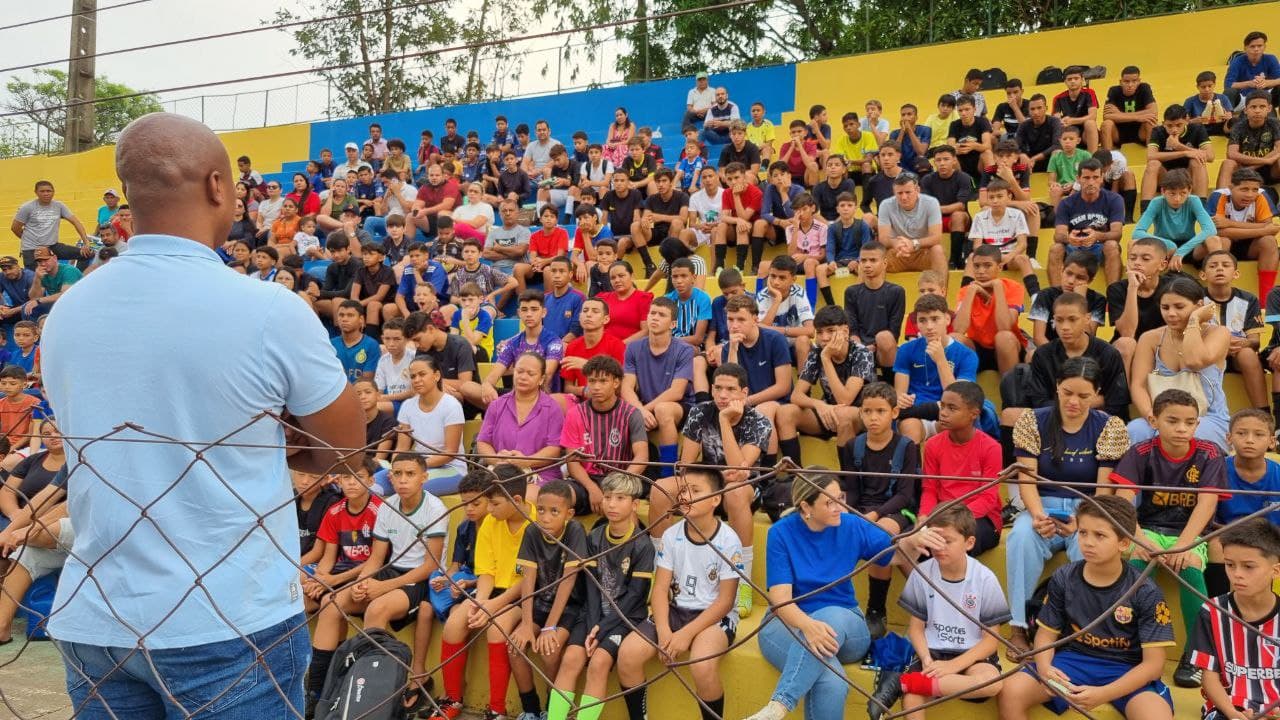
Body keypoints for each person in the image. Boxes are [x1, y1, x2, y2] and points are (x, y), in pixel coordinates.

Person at [41, 113, 363, 716]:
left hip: (99, 614)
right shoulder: (268, 308)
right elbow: (343, 452)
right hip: (228, 618)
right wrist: (266, 439)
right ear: (219, 186)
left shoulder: (68, 311)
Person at [743, 472, 942, 720]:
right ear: (806, 507)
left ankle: (780, 705)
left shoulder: (851, 524)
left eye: (841, 498)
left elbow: (896, 554)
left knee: (829, 616)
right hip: (789, 622)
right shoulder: (781, 533)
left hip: (846, 624)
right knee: (832, 683)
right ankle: (776, 709)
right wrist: (807, 625)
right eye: (829, 502)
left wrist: (913, 539)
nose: (839, 507)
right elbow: (781, 600)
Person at [996, 495, 1176, 720]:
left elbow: (1154, 665)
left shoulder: (1145, 591)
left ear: (1124, 543)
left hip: (1127, 668)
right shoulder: (1064, 577)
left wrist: (1104, 694)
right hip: (1073, 660)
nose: (1088, 542)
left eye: (1099, 535)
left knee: (1156, 716)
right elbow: (1045, 636)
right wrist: (1044, 668)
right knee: (1011, 692)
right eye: (1082, 533)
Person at [1004, 357, 1130, 655]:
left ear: (1097, 393)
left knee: (1089, 546)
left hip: (1088, 507)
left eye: (1084, 396)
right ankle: (1018, 627)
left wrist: (1082, 521)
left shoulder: (1110, 426)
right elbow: (1028, 479)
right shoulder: (1032, 420)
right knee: (1021, 538)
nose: (1074, 401)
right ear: (1057, 386)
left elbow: (1103, 490)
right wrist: (1037, 517)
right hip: (1041, 504)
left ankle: (1075, 629)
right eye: (1067, 392)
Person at [306, 453, 447, 713]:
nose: (403, 480)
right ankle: (317, 693)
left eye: (410, 474)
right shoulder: (388, 506)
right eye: (398, 474)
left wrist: (383, 587)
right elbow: (377, 557)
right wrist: (362, 581)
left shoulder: (435, 508)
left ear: (424, 478)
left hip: (419, 578)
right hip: (389, 570)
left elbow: (431, 565)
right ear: (390, 477)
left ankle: (373, 698)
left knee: (376, 609)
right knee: (330, 602)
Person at [1112, 386, 1229, 687]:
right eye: (1172, 420)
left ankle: (1196, 655)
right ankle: (1127, 646)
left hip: (1189, 533)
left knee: (1190, 568)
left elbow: (1207, 504)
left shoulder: (1210, 453)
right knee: (1133, 568)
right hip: (1148, 529)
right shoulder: (1140, 452)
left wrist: (1183, 546)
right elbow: (1123, 502)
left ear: (1197, 424)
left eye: (1189, 422)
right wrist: (1141, 540)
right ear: (1154, 421)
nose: (1181, 428)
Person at [615, 467, 740, 720]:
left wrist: (685, 635)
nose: (685, 496)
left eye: (695, 491)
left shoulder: (728, 540)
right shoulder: (672, 535)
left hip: (712, 617)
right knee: (628, 656)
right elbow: (660, 588)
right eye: (683, 490)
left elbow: (726, 600)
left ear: (716, 499)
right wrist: (664, 631)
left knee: (701, 665)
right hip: (675, 611)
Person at [546, 472, 653, 720]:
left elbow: (636, 596)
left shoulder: (642, 545)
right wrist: (593, 624)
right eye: (607, 497)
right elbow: (592, 587)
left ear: (635, 504)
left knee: (599, 663)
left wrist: (602, 628)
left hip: (624, 619)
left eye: (620, 498)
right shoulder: (594, 536)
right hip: (593, 613)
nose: (612, 504)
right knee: (571, 659)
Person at [432, 467, 537, 720]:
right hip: (491, 590)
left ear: (517, 500)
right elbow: (486, 571)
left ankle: (496, 710)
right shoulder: (491, 521)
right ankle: (453, 699)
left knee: (496, 628)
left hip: (525, 593)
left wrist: (493, 606)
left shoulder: (535, 524)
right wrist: (480, 603)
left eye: (494, 504)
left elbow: (528, 580)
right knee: (455, 624)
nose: (489, 510)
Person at [895, 505, 1010, 719]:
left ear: (969, 543)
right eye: (935, 539)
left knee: (992, 682)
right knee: (912, 700)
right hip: (933, 651)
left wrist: (952, 666)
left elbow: (991, 641)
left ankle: (914, 683)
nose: (939, 547)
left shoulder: (985, 579)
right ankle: (924, 684)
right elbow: (916, 629)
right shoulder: (921, 573)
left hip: (972, 656)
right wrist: (927, 660)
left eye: (947, 541)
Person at [1188, 518, 1280, 720]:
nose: (1237, 574)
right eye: (1230, 565)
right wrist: (1231, 712)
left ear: (1276, 571)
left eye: (1248, 567)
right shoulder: (1211, 611)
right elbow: (1209, 676)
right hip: (1227, 708)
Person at [1126, 276, 1231, 449]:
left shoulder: (1219, 333)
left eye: (1179, 307)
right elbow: (1138, 385)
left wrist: (1194, 321)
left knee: (1179, 436)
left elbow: (1194, 360)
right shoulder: (1150, 338)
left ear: (1199, 306)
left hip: (1207, 417)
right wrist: (1151, 415)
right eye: (1165, 307)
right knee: (1135, 430)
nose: (1171, 314)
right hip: (1161, 417)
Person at [776, 305, 875, 465]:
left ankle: (847, 478)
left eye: (830, 331)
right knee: (785, 412)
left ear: (845, 331)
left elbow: (846, 399)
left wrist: (827, 359)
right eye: (820, 332)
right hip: (829, 412)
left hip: (862, 415)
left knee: (843, 414)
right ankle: (794, 474)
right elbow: (796, 396)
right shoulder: (817, 353)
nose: (824, 337)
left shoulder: (861, 353)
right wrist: (819, 404)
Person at [621, 297, 695, 477]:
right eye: (652, 313)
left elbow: (677, 392)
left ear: (673, 324)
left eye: (661, 315)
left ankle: (668, 473)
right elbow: (626, 388)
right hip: (644, 406)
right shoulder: (633, 347)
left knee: (663, 410)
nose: (654, 318)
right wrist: (639, 410)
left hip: (679, 407)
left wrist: (643, 410)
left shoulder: (684, 349)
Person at [894, 294, 978, 445]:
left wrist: (940, 360)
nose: (929, 326)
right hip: (915, 414)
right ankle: (913, 468)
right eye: (922, 320)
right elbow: (900, 394)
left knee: (958, 423)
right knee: (909, 428)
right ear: (917, 324)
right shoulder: (906, 350)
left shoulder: (967, 355)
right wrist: (902, 398)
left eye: (935, 319)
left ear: (947, 319)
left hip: (949, 412)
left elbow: (960, 397)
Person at [1200, 251, 1268, 413]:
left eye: (1225, 265)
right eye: (1213, 266)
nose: (1219, 269)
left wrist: (1239, 343)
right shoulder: (1197, 299)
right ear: (1203, 275)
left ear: (1236, 273)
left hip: (1237, 354)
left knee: (1248, 354)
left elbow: (1254, 340)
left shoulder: (1249, 299)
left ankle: (1263, 414)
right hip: (1207, 353)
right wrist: (1220, 344)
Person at [394, 356, 467, 494]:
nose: (416, 380)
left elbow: (450, 453)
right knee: (373, 482)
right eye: (413, 376)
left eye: (422, 374)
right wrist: (396, 468)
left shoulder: (451, 405)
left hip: (451, 469)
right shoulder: (407, 406)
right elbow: (401, 448)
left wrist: (415, 467)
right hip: (416, 467)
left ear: (436, 375)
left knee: (410, 487)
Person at [1051, 158, 1125, 285]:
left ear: (1102, 178)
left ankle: (1113, 296)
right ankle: (1056, 296)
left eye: (1095, 177)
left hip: (1100, 247)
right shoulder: (1066, 203)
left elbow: (1117, 234)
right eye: (1086, 178)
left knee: (1112, 245)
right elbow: (1058, 235)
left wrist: (1097, 236)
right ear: (1078, 178)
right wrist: (1069, 238)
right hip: (1074, 247)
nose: (1091, 182)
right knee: (1056, 248)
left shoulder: (1114, 199)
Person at [953, 245, 1025, 374]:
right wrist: (972, 291)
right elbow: (958, 329)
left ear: (999, 267)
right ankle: (962, 388)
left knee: (1004, 337)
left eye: (987, 265)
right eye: (976, 266)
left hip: (1007, 350)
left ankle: (1011, 390)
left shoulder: (1013, 287)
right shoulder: (965, 291)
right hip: (979, 350)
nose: (981, 271)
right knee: (953, 339)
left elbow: (1004, 327)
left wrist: (997, 286)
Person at [1212, 168, 1279, 301]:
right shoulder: (1219, 196)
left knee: (1269, 241)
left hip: (1251, 246)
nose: (1250, 195)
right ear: (1231, 187)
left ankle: (1266, 301)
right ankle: (1219, 296)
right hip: (1223, 246)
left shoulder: (1262, 195)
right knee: (1222, 240)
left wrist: (1228, 222)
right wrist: (1262, 229)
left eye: (1254, 190)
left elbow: (1271, 228)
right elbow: (1219, 231)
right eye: (1244, 189)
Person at [1108, 236, 1172, 374]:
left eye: (1145, 259)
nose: (1137, 263)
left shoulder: (1172, 287)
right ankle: (1124, 394)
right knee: (1126, 343)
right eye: (1132, 258)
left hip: (1161, 346)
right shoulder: (1117, 289)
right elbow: (1127, 332)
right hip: (1129, 349)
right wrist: (1133, 288)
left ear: (1162, 265)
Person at [878, 173, 948, 291]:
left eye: (908, 192)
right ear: (894, 192)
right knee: (872, 257)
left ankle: (941, 299)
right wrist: (897, 244)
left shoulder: (931, 203)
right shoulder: (886, 205)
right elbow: (883, 239)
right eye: (899, 193)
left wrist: (913, 244)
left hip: (922, 252)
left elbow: (936, 237)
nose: (904, 197)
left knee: (937, 250)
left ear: (917, 190)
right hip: (898, 252)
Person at [11, 180, 91, 268]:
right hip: (32, 249)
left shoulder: (59, 206)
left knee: (86, 254)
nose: (46, 194)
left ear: (53, 192)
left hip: (53, 246)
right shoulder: (27, 207)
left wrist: (86, 242)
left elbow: (76, 222)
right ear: (36, 192)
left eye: (48, 191)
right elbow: (15, 228)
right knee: (36, 276)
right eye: (42, 191)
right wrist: (29, 240)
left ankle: (78, 279)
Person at [1142, 104, 1214, 201]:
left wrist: (1179, 146)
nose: (1174, 129)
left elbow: (1210, 156)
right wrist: (1183, 153)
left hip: (1188, 176)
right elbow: (1151, 156)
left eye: (1179, 125)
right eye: (1169, 126)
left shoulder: (1197, 129)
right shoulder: (1158, 131)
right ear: (1163, 123)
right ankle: (1146, 211)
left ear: (1187, 121)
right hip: (1165, 177)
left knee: (1197, 162)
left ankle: (1201, 208)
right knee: (1153, 164)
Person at [1216, 91, 1280, 188]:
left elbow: (1279, 149)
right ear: (1246, 110)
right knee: (1228, 163)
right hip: (1244, 173)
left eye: (1262, 107)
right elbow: (1232, 154)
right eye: (1253, 107)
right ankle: (1220, 198)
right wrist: (1265, 161)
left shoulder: (1275, 123)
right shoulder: (1238, 126)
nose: (1257, 111)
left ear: (1269, 109)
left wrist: (1254, 166)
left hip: (1270, 171)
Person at [1101, 65, 1159, 151]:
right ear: (1121, 82)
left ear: (1139, 81)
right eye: (1126, 81)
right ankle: (1107, 157)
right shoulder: (1114, 91)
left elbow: (1153, 111)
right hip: (1119, 133)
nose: (1130, 85)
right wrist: (1137, 117)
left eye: (1134, 81)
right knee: (1106, 124)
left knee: (1151, 121)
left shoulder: (1144, 88)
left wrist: (1120, 115)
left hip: (1139, 132)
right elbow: (1107, 116)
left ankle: (1152, 155)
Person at [597, 261, 653, 342]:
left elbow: (646, 331)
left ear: (632, 276)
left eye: (621, 276)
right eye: (613, 278)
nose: (617, 280)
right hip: (604, 347)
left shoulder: (644, 298)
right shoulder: (603, 298)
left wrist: (619, 345)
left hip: (631, 349)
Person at [1224, 30, 1280, 109]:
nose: (1256, 49)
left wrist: (1266, 83)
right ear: (1245, 48)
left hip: (1267, 98)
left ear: (1264, 47)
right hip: (1244, 99)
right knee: (1229, 92)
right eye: (1252, 46)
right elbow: (1228, 85)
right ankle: (1227, 118)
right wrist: (1250, 83)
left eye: (1259, 46)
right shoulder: (1237, 61)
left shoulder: (1271, 59)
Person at [1051, 65, 1101, 152]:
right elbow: (1056, 120)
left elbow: (1093, 116)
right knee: (1058, 127)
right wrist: (1062, 121)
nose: (1073, 81)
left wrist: (1072, 121)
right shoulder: (1058, 98)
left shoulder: (1089, 93)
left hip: (1086, 134)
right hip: (1069, 133)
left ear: (1082, 79)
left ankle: (1093, 159)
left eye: (1076, 78)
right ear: (1065, 82)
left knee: (1090, 123)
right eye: (1069, 79)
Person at [331, 300, 380, 383]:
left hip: (359, 392)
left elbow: (366, 380)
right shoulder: (330, 344)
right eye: (341, 315)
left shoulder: (371, 345)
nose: (344, 319)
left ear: (361, 319)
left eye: (350, 315)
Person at [1014, 94, 1063, 171]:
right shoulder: (1024, 125)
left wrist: (1035, 158)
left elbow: (1057, 145)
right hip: (1029, 162)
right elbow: (1016, 146)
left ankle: (1056, 181)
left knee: (1057, 152)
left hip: (1048, 159)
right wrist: (1021, 155)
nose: (1036, 112)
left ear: (1046, 108)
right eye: (1032, 109)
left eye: (1039, 108)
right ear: (1029, 111)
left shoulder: (1055, 122)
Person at [1184, 70, 1233, 136]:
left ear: (1214, 84)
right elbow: (1183, 122)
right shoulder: (1190, 101)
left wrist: (1228, 116)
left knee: (1234, 121)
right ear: (1198, 87)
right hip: (1199, 130)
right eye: (1203, 87)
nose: (1207, 89)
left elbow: (1230, 116)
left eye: (1210, 86)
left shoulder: (1223, 98)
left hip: (1221, 127)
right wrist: (1193, 121)